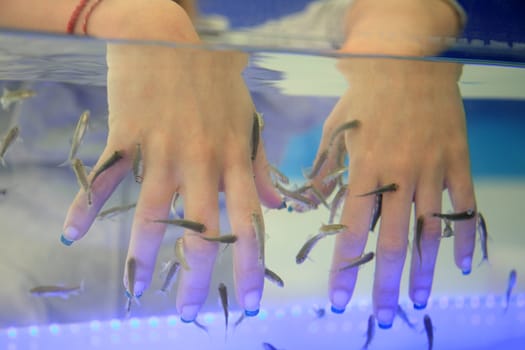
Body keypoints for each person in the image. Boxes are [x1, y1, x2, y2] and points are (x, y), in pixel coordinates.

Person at [0, 0, 477, 328]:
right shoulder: (21, 62)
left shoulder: (241, 68)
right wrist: (121, 18)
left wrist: (396, 52)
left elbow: (392, 7)